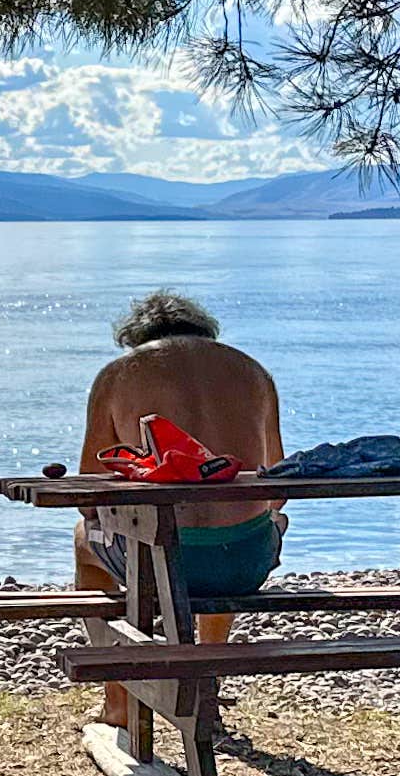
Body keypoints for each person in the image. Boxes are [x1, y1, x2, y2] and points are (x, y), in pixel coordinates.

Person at [74, 291, 286, 730]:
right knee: (244, 524)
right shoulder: (253, 373)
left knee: (84, 539)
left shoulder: (118, 375)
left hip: (159, 565)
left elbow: (88, 495)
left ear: (136, 337)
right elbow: (276, 488)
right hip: (244, 564)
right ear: (205, 333)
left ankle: (119, 698)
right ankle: (205, 681)